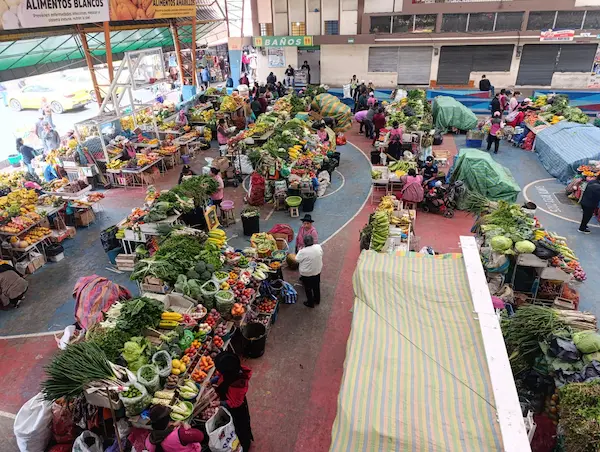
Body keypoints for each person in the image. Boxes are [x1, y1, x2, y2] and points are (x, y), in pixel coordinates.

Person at [211, 352, 254, 451]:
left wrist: (220, 403)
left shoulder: (238, 385)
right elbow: (221, 376)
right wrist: (214, 380)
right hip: (231, 401)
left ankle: (244, 446)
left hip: (238, 410)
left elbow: (236, 403)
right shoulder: (232, 370)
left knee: (240, 427)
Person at [296, 234, 323, 308]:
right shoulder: (318, 247)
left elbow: (297, 259)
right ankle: (317, 300)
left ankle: (310, 303)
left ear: (304, 243)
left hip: (307, 274)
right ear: (312, 241)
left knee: (308, 288)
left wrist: (300, 250)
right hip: (317, 271)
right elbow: (321, 254)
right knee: (316, 286)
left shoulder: (302, 251)